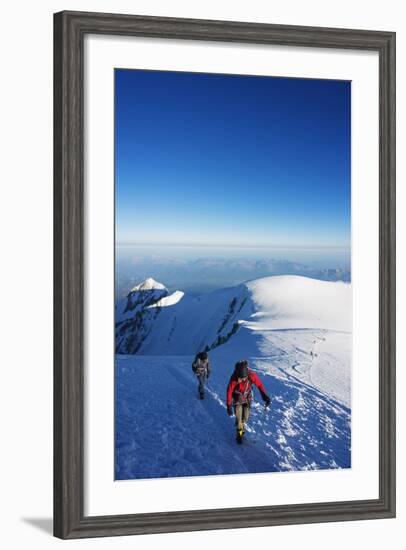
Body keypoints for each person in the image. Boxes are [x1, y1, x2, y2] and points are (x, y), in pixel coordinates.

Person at [226, 359, 270, 443]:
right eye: (240, 378)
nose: (241, 380)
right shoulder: (234, 377)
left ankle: (241, 426)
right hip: (237, 399)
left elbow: (259, 384)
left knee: (245, 418)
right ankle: (239, 433)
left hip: (247, 398)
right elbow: (229, 391)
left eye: (243, 378)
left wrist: (264, 396)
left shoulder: (251, 375)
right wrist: (229, 406)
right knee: (239, 419)